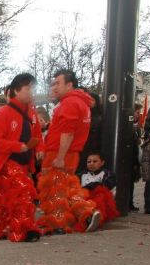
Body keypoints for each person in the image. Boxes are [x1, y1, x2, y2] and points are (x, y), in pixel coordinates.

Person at [0, 73, 41, 242]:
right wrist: (18, 146)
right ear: (16, 91)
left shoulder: (32, 114)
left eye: (33, 88)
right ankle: (24, 230)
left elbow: (37, 135)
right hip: (6, 163)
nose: (31, 92)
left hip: (24, 163)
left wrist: (40, 149)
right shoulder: (3, 113)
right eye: (28, 88)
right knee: (23, 192)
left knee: (4, 200)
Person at [37, 69, 102, 234]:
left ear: (69, 85)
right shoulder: (80, 102)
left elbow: (68, 132)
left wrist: (59, 157)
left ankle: (59, 224)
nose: (54, 87)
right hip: (70, 153)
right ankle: (86, 214)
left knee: (55, 190)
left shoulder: (70, 103)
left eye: (58, 83)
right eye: (53, 83)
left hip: (60, 153)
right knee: (67, 188)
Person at [79, 152, 119, 224]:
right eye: (89, 162)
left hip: (104, 204)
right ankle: (86, 218)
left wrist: (89, 187)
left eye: (95, 161)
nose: (91, 163)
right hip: (86, 202)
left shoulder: (108, 174)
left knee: (100, 194)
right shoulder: (82, 175)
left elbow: (106, 186)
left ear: (102, 163)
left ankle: (93, 218)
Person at [79, 90, 103, 171]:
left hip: (92, 151)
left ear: (96, 102)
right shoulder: (82, 114)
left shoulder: (99, 118)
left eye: (91, 99)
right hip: (82, 150)